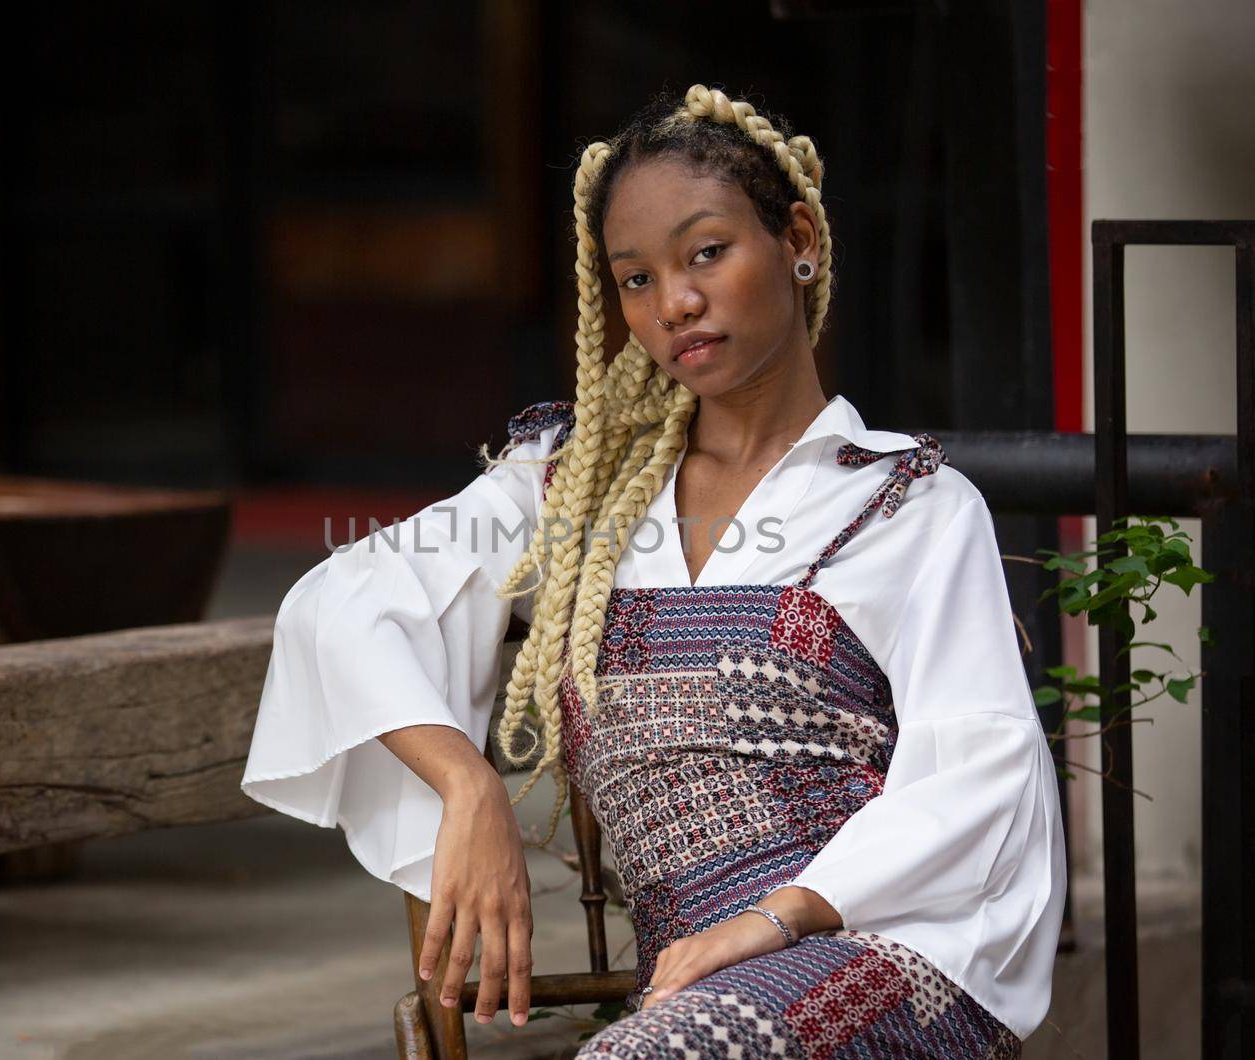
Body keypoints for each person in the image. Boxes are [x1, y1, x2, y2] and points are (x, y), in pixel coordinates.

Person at [242, 84, 1066, 1058]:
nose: (674, 302)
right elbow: (339, 602)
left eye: (705, 253)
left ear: (797, 238)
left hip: (888, 954)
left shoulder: (906, 506)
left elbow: (983, 772)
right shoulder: (579, 492)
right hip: (696, 1003)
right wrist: (469, 785)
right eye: (635, 278)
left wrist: (775, 917)